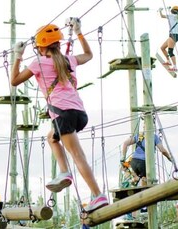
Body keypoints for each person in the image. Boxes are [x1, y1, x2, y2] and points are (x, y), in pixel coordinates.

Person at [11, 18, 108, 212]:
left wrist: (18, 56)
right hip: (79, 113)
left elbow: (14, 80)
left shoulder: (38, 63)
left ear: (40, 48)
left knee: (78, 155)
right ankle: (64, 172)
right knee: (51, 137)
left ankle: (98, 195)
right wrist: (79, 32)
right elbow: (88, 55)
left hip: (62, 114)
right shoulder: (68, 60)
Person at [159, 6, 178, 72]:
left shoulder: (171, 16)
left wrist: (160, 11)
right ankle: (168, 61)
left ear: (172, 11)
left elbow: (162, 16)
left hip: (173, 35)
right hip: (174, 35)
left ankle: (175, 66)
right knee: (162, 48)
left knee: (170, 51)